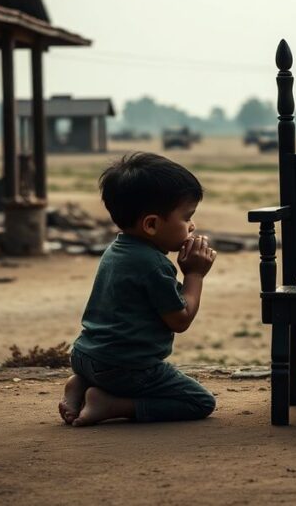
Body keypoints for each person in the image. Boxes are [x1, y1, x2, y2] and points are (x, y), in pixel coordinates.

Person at [59, 152, 218, 426]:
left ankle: (80, 385)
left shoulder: (116, 249)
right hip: (123, 368)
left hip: (85, 355)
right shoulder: (153, 264)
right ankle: (111, 404)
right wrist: (194, 274)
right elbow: (179, 321)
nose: (192, 225)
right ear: (151, 224)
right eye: (187, 217)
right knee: (200, 401)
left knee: (106, 369)